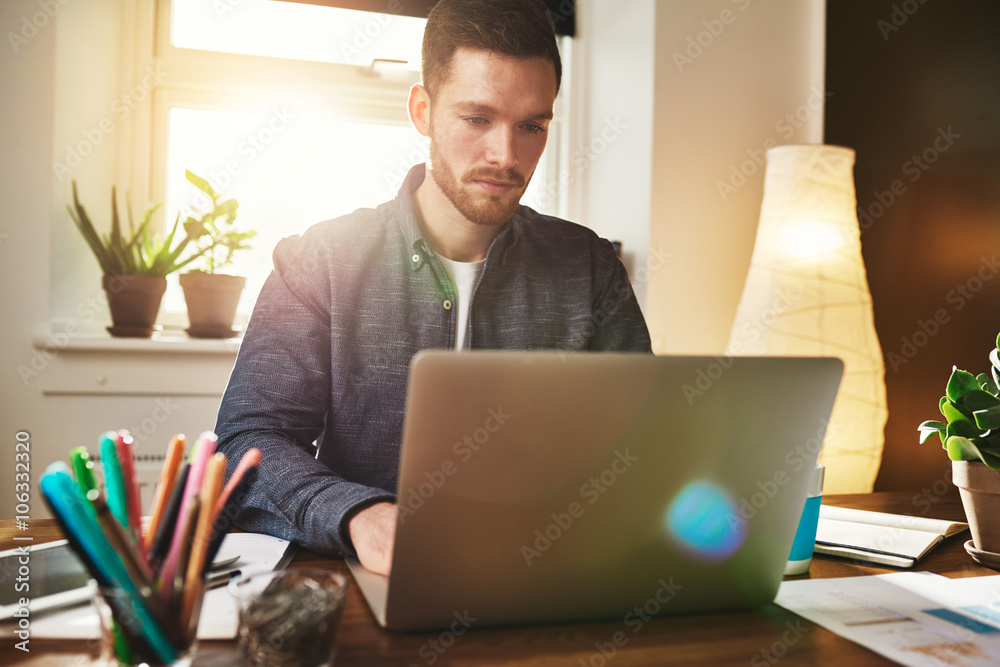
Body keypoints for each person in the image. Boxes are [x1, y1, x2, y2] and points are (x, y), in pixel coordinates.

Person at [215, 0, 651, 576]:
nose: (506, 154)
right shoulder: (319, 261)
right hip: (368, 580)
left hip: (545, 580)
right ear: (422, 109)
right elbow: (246, 444)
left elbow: (642, 441)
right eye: (477, 119)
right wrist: (358, 516)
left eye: (531, 126)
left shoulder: (589, 267)